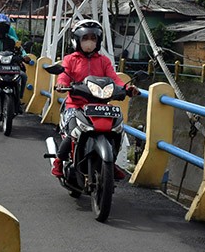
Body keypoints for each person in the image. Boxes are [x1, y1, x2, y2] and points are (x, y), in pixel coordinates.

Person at [51, 19, 140, 178]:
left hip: (100, 106)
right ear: (77, 40)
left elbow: (114, 79)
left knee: (117, 130)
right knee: (73, 132)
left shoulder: (104, 60)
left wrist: (126, 88)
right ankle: (58, 161)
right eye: (85, 38)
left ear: (98, 40)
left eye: (93, 38)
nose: (89, 42)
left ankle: (110, 164)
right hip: (76, 105)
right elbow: (64, 76)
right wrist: (61, 84)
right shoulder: (70, 59)